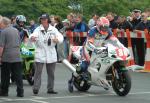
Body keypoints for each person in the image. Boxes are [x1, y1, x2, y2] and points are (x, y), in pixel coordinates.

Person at [29, 13, 64, 95]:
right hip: (40, 52)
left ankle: (50, 89)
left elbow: (60, 37)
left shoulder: (53, 29)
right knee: (38, 72)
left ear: (48, 20)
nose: (43, 21)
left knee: (51, 73)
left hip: (51, 52)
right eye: (42, 19)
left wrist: (57, 40)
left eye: (44, 19)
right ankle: (36, 88)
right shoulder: (38, 29)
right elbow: (33, 35)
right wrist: (32, 37)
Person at [0, 17, 24, 97]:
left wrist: (0, 56)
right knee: (18, 75)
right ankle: (20, 92)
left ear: (4, 23)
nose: (0, 25)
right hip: (17, 55)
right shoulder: (16, 30)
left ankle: (4, 91)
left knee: (5, 75)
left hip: (7, 56)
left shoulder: (3, 32)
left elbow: (1, 46)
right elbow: (20, 42)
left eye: (1, 24)